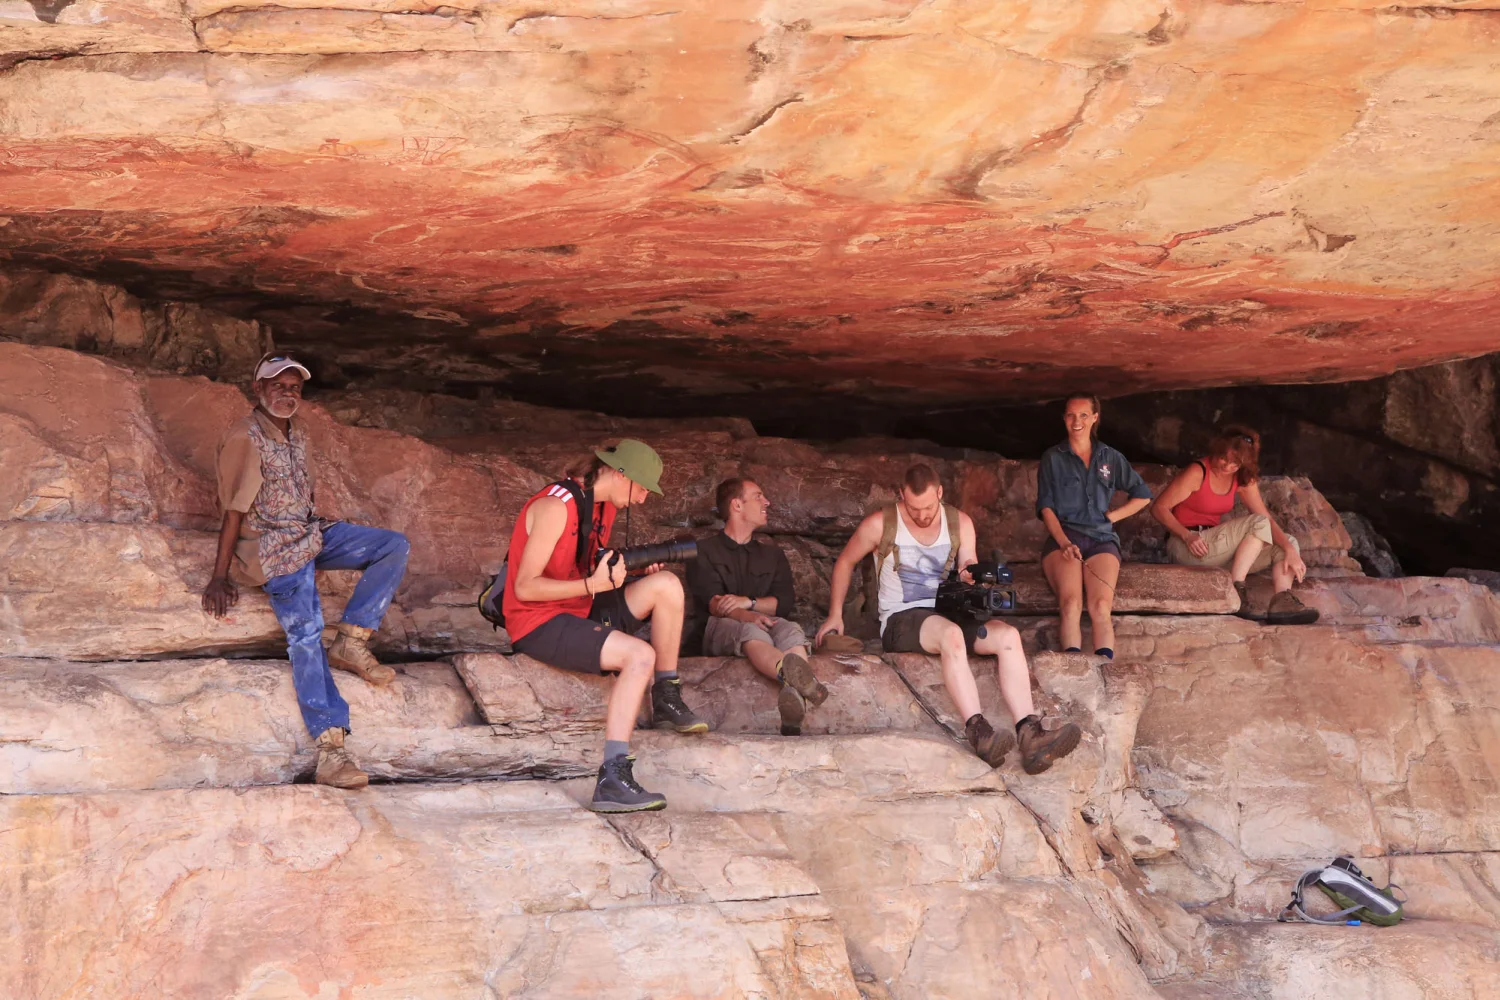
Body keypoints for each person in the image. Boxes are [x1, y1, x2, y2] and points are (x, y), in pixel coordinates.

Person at [202, 353, 411, 790]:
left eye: (294, 387)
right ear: (259, 389)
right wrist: (220, 574)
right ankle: (331, 749)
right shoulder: (245, 436)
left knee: (392, 545)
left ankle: (352, 641)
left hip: (308, 534)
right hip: (273, 548)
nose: (287, 393)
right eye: (278, 385)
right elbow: (234, 510)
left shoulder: (298, 433)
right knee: (306, 633)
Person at [816, 465, 1081, 775]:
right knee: (951, 635)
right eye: (914, 508)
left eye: (929, 507)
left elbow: (967, 559)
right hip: (902, 618)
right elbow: (845, 561)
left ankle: (1030, 733)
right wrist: (835, 613)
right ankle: (979, 732)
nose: (923, 515)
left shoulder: (959, 523)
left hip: (948, 609)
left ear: (940, 493)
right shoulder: (881, 523)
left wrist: (972, 573)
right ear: (901, 496)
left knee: (1007, 637)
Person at [503, 439, 706, 814]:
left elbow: (582, 565)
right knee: (638, 656)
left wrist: (625, 571)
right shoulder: (554, 507)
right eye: (642, 488)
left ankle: (666, 695)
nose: (643, 499)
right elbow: (524, 587)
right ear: (619, 473)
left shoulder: (601, 506)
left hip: (578, 607)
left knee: (667, 586)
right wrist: (592, 585)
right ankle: (612, 778)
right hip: (537, 621)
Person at [687, 478, 829, 736]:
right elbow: (714, 603)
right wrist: (747, 615)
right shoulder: (703, 550)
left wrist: (749, 603)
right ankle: (798, 680)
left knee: (791, 630)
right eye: (758, 496)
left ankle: (795, 697)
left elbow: (783, 603)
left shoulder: (772, 554)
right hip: (719, 627)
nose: (767, 502)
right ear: (737, 505)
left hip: (764, 619)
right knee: (751, 632)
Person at [1152, 425, 1318, 625]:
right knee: (1258, 524)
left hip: (1216, 552)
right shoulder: (1198, 471)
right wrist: (1187, 536)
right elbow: (1159, 508)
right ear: (1216, 450)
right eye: (1224, 458)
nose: (1227, 466)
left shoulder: (1241, 479)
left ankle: (1282, 602)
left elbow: (1266, 518)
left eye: (1235, 463)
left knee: (1286, 541)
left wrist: (1290, 550)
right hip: (1186, 545)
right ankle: (1236, 592)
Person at [1036, 393, 1154, 659]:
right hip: (1064, 539)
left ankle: (1104, 669)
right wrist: (1064, 542)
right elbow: (1046, 507)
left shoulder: (1109, 457)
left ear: (1095, 418)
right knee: (1071, 604)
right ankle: (1074, 668)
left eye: (1083, 415)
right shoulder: (1053, 458)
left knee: (1100, 606)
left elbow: (1143, 495)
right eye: (1070, 415)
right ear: (1064, 418)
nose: (1076, 421)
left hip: (1101, 540)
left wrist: (1112, 517)